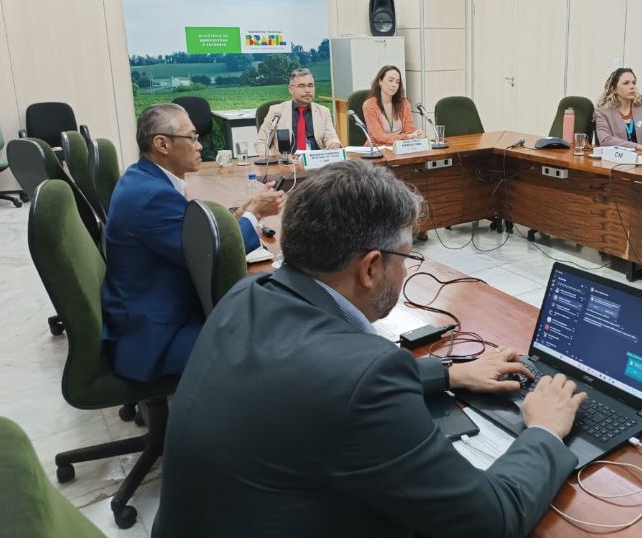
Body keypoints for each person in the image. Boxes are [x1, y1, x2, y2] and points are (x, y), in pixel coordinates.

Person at [153, 160, 585, 538]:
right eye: (406, 258)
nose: (404, 271)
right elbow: (492, 519)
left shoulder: (247, 294)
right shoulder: (364, 379)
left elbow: (312, 384)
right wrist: (544, 430)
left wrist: (449, 373)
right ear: (372, 267)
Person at [101, 103, 285, 382]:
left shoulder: (143, 179)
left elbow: (188, 235)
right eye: (193, 138)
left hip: (152, 308)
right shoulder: (152, 196)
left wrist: (238, 215)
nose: (200, 146)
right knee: (268, 343)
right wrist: (255, 215)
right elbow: (216, 256)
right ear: (162, 144)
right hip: (155, 338)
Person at [254, 68, 341, 156]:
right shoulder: (276, 111)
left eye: (310, 85)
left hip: (316, 162)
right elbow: (261, 142)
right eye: (302, 86)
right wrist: (273, 162)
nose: (307, 90)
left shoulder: (323, 111)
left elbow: (331, 138)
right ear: (291, 90)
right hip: (285, 164)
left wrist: (333, 144)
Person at [593, 68, 642, 154]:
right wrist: (638, 147)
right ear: (614, 89)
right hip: (617, 161)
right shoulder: (603, 112)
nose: (632, 86)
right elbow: (605, 140)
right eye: (626, 83)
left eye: (634, 83)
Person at [361, 64, 424, 145]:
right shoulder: (369, 105)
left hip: (401, 148)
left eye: (397, 82)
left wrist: (417, 135)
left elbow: (410, 130)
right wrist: (407, 137)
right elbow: (379, 136)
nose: (394, 85)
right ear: (380, 81)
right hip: (379, 150)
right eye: (391, 80)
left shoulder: (404, 103)